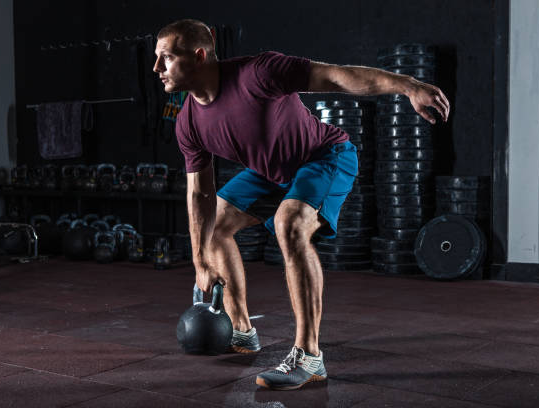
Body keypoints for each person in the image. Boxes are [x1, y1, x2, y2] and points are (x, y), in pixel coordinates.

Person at [153, 19, 449, 391]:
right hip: (270, 171)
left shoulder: (260, 72)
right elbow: (200, 195)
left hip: (324, 156)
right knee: (215, 228)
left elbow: (338, 77)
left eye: (166, 58)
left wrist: (410, 85)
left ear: (198, 56)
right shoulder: (188, 123)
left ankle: (309, 357)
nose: (156, 69)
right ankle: (242, 330)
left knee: (289, 223)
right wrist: (199, 261)